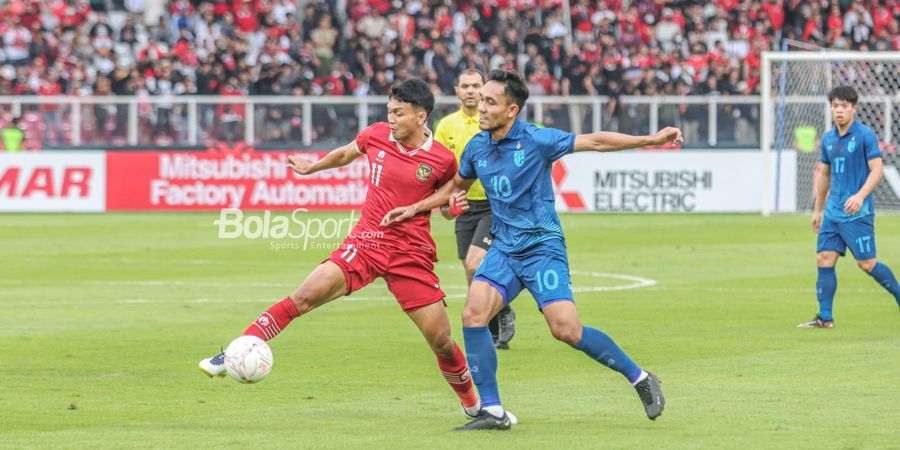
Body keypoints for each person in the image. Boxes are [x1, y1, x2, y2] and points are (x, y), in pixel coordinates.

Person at [382, 70, 682, 430]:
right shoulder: (478, 145)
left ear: (511, 110)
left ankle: (640, 378)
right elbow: (455, 186)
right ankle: (492, 410)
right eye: (481, 98)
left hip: (542, 247)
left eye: (490, 101)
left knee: (566, 330)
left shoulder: (537, 140)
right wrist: (416, 208)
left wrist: (650, 139)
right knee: (473, 314)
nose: (481, 105)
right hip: (505, 248)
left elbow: (597, 142)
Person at [198, 79, 485, 421]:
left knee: (440, 340)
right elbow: (347, 153)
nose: (391, 118)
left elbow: (446, 203)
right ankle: (231, 353)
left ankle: (473, 405)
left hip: (411, 254)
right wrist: (312, 167)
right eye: (389, 111)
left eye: (399, 113)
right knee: (303, 296)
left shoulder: (441, 159)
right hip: (366, 243)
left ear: (421, 116)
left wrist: (450, 208)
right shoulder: (377, 135)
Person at [798, 85, 900, 328]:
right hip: (833, 213)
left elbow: (877, 170)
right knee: (824, 258)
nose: (839, 110)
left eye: (844, 106)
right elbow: (824, 175)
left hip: (858, 213)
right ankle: (825, 318)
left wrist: (860, 196)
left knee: (866, 263)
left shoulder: (865, 135)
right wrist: (818, 209)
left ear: (854, 108)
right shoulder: (828, 139)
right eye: (835, 106)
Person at [434, 69, 517, 350]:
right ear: (457, 90)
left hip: (494, 206)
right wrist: (445, 203)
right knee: (472, 274)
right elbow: (443, 171)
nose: (470, 91)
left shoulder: (493, 121)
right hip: (465, 205)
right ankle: (496, 321)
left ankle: (498, 316)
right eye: (465, 86)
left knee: (475, 263)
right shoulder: (446, 126)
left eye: (476, 86)